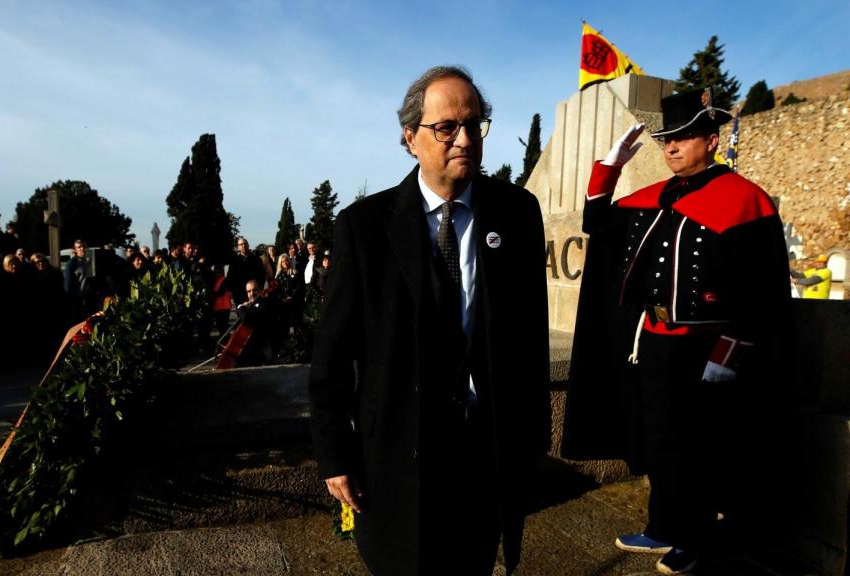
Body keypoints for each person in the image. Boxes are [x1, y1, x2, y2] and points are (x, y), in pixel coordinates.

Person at [308, 65, 550, 575]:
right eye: (446, 127)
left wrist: (532, 443)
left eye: (474, 124)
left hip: (484, 451)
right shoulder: (364, 227)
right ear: (410, 137)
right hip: (397, 451)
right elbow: (331, 354)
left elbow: (530, 337)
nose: (464, 139)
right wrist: (335, 455)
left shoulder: (517, 211)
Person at [564, 89, 793, 575]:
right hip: (653, 341)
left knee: (701, 448)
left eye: (683, 138)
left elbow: (763, 290)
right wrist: (610, 167)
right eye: (666, 139)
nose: (670, 147)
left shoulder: (745, 199)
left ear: (711, 140)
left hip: (706, 346)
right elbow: (596, 224)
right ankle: (663, 526)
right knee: (661, 440)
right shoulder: (657, 196)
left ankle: (695, 540)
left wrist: (728, 354)